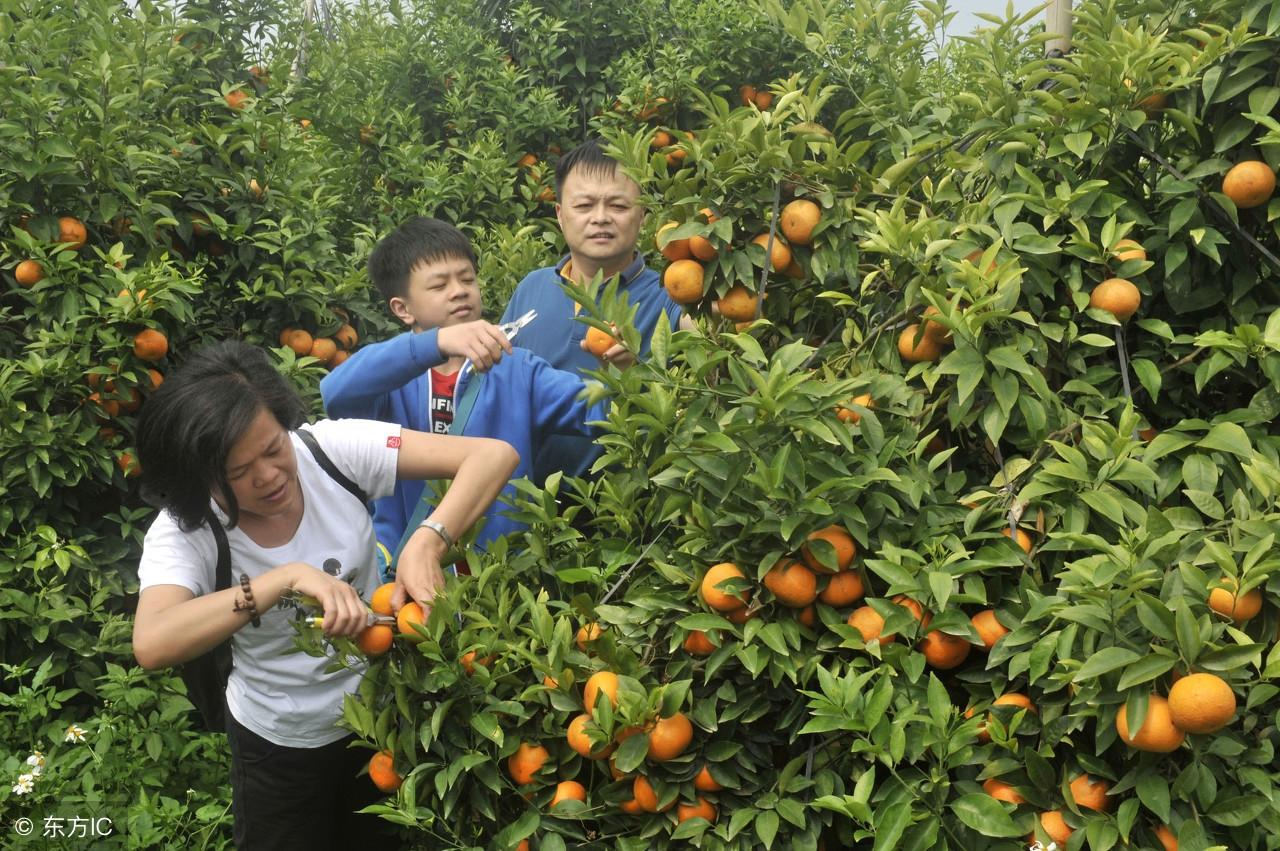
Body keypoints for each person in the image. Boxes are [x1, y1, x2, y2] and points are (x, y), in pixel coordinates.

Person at [131, 340, 517, 851]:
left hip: (380, 724)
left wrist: (428, 540)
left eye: (272, 449)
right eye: (238, 472)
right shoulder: (188, 528)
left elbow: (492, 455)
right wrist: (279, 581)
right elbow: (153, 642)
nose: (268, 476)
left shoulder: (329, 451)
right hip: (278, 743)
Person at [319, 216, 614, 560]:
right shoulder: (391, 380)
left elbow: (601, 416)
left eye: (467, 279)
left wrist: (621, 373)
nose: (459, 290)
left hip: (500, 572)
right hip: (403, 572)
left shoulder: (518, 369)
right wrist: (437, 343)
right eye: (438, 285)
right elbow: (336, 393)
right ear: (403, 309)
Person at [499, 136, 695, 483]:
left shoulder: (673, 298)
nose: (601, 218)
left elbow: (702, 410)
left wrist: (632, 378)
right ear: (560, 214)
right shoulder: (534, 286)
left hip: (627, 517)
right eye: (584, 205)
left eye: (618, 206)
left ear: (643, 215)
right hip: (525, 511)